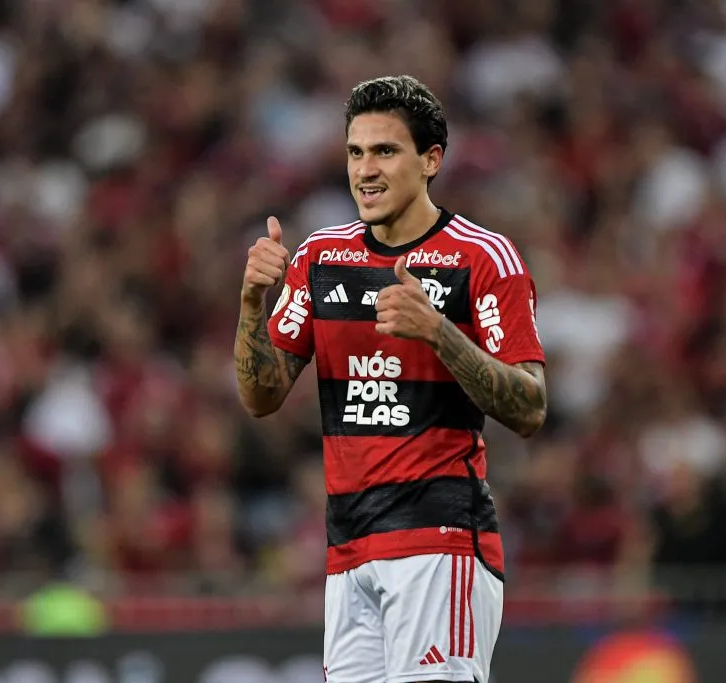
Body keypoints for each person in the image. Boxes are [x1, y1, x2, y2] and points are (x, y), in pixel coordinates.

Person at [233, 74, 547, 683]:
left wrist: (440, 332)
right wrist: (251, 301)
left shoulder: (483, 259)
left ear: (431, 160)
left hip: (440, 541)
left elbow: (530, 406)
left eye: (385, 151)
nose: (365, 170)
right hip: (349, 550)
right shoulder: (320, 258)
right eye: (355, 152)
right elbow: (260, 396)